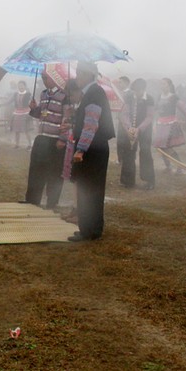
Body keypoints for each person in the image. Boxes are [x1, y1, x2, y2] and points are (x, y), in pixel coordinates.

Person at [68, 61, 115, 242]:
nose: (77, 76)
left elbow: (91, 124)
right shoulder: (90, 93)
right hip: (94, 147)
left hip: (92, 149)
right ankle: (91, 228)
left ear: (88, 74)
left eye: (79, 73)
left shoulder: (94, 93)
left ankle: (90, 230)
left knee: (89, 189)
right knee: (90, 189)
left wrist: (80, 149)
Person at [22, 71, 70, 209]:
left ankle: (52, 202)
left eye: (46, 78)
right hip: (42, 138)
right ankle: (32, 199)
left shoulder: (64, 96)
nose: (43, 80)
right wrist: (34, 109)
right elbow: (41, 115)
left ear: (55, 78)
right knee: (36, 170)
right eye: (42, 78)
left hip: (55, 140)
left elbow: (66, 118)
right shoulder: (43, 94)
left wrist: (63, 138)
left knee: (54, 172)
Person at [153, 78, 186, 172]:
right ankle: (168, 166)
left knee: (167, 146)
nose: (162, 86)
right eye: (161, 84)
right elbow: (155, 109)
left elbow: (184, 108)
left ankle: (179, 166)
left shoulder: (173, 97)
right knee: (161, 146)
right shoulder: (159, 96)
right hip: (160, 123)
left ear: (169, 85)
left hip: (170, 123)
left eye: (164, 84)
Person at [121, 78, 155, 189]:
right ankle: (128, 180)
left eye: (138, 91)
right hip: (130, 128)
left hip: (144, 130)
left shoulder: (149, 99)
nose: (136, 93)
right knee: (128, 152)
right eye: (134, 91)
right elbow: (125, 114)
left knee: (145, 152)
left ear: (143, 89)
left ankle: (149, 180)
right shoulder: (129, 97)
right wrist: (129, 128)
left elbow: (149, 116)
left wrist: (138, 129)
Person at [11, 80, 32, 148]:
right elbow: (9, 100)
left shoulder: (28, 94)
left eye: (22, 85)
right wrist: (0, 104)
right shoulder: (15, 94)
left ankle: (29, 144)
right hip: (17, 113)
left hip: (26, 112)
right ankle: (17, 144)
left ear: (25, 86)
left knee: (26, 129)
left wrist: (32, 103)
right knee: (17, 130)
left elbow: (32, 103)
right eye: (19, 85)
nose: (20, 87)